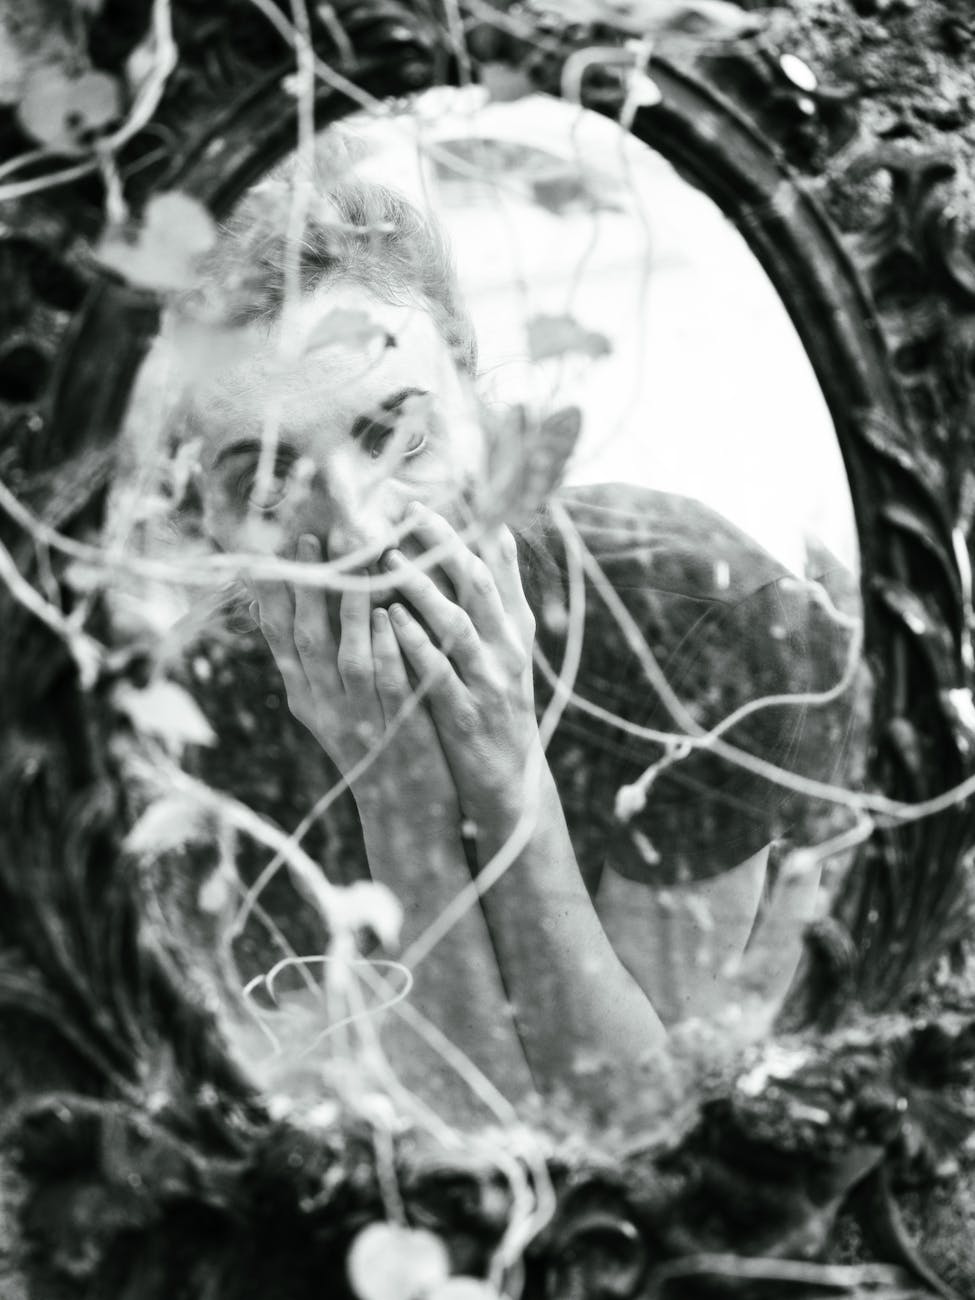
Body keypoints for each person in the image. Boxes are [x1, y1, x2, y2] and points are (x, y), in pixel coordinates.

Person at [168, 154, 864, 1115]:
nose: (362, 528)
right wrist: (397, 796)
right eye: (266, 485)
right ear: (201, 519)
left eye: (401, 438)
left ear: (475, 403)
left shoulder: (693, 620)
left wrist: (508, 782)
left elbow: (634, 1119)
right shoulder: (190, 733)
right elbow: (455, 1137)